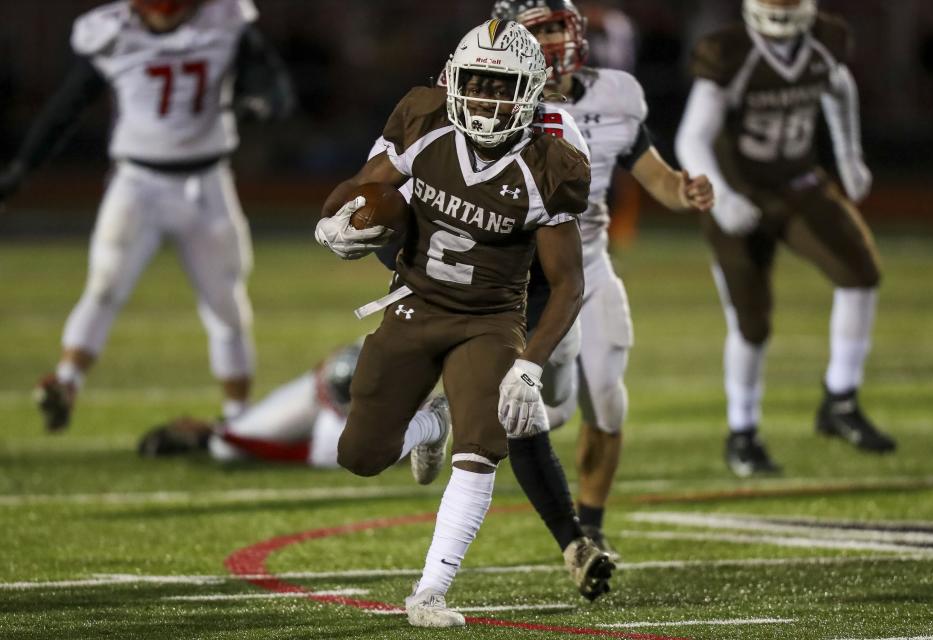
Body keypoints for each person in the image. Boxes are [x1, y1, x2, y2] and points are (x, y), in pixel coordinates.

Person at [314, 19, 600, 628]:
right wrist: (335, 225)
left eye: (502, 86)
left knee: (483, 447)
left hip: (490, 318)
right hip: (415, 303)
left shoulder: (550, 164)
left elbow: (570, 284)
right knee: (360, 454)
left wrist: (528, 365)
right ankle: (427, 427)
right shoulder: (424, 121)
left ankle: (430, 591)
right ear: (454, 79)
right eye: (477, 82)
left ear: (528, 92)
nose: (488, 98)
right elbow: (363, 191)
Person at [0, 0, 294, 431]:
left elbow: (274, 85)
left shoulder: (226, 21)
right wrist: (21, 168)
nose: (165, 17)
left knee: (226, 305)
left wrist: (261, 102)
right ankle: (66, 382)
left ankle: (237, 418)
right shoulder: (114, 31)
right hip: (137, 185)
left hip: (206, 183)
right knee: (103, 287)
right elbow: (67, 107)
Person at [492, 0, 715, 560]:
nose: (546, 41)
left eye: (552, 27)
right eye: (533, 30)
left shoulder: (615, 96)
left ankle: (590, 526)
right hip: (517, 276)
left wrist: (683, 192)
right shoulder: (491, 95)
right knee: (550, 409)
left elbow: (655, 176)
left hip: (587, 265)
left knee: (608, 401)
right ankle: (435, 413)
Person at [675, 0, 896, 477]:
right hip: (740, 192)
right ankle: (743, 432)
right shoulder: (730, 52)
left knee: (861, 273)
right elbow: (691, 138)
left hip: (797, 182)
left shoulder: (822, 41)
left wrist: (849, 155)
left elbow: (839, 86)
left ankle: (841, 398)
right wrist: (722, 198)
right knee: (751, 322)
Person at [136, 342, 453, 482]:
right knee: (230, 442)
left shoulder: (342, 432)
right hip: (319, 394)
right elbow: (345, 353)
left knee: (226, 448)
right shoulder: (334, 390)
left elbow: (292, 454)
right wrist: (227, 434)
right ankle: (209, 432)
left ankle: (213, 435)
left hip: (367, 415)